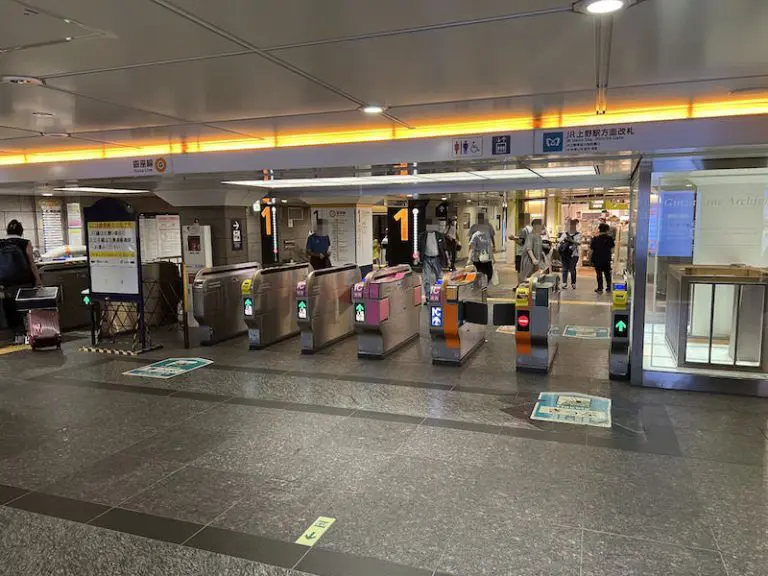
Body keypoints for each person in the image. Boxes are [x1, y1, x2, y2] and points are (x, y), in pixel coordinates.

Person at [0, 220, 41, 342]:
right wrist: (38, 281)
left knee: (12, 309)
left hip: (6, 283)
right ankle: (31, 334)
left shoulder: (1, 243)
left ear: (7, 231)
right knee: (26, 308)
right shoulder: (25, 242)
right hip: (24, 281)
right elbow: (31, 263)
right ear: (21, 231)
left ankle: (18, 336)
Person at [417, 225, 448, 304]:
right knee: (426, 278)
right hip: (426, 258)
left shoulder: (439, 235)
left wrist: (448, 259)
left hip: (437, 258)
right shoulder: (422, 235)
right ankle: (428, 297)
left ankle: (436, 294)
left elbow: (444, 248)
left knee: (440, 278)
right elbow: (418, 248)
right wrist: (417, 258)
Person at [590, 222, 615, 294]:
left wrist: (590, 259)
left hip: (597, 258)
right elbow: (612, 248)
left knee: (599, 274)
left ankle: (600, 288)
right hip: (606, 258)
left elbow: (591, 250)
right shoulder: (610, 238)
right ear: (607, 230)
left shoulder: (595, 239)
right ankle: (609, 287)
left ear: (599, 229)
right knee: (607, 273)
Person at [558, 219, 581, 289]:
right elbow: (559, 241)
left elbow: (579, 243)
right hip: (565, 254)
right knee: (565, 268)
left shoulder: (578, 234)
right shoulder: (564, 234)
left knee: (572, 268)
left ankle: (573, 283)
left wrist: (571, 241)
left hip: (574, 254)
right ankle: (564, 283)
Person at [469, 223, 494, 288]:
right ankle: (479, 285)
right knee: (480, 273)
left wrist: (492, 257)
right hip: (478, 258)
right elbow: (472, 247)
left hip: (487, 257)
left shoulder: (487, 235)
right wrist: (469, 258)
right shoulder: (475, 235)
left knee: (490, 273)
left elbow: (489, 246)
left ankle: (483, 285)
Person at [519, 219, 544, 283]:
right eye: (540, 225)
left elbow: (539, 248)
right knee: (526, 277)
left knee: (533, 278)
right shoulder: (530, 236)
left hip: (536, 261)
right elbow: (529, 248)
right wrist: (533, 259)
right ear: (535, 226)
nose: (542, 227)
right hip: (529, 260)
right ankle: (522, 290)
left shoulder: (539, 237)